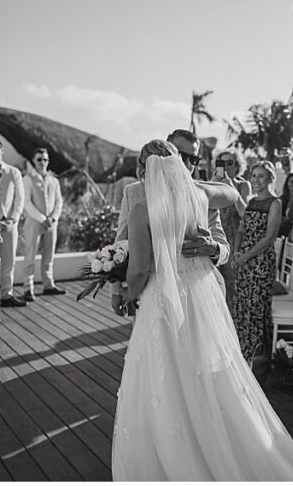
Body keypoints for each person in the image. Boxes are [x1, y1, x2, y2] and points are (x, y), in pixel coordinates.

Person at [111, 140, 293, 481]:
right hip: (199, 297)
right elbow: (228, 194)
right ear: (177, 165)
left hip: (162, 301)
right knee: (206, 373)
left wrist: (125, 292)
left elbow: (139, 272)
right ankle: (217, 443)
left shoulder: (144, 208)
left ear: (145, 167)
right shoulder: (198, 197)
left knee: (166, 374)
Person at [110, 129, 229, 315]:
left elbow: (224, 248)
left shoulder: (203, 194)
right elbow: (121, 242)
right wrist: (116, 291)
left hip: (198, 296)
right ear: (170, 152)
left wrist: (214, 248)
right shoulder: (134, 193)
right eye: (183, 156)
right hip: (149, 296)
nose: (188, 164)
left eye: (194, 159)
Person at [231, 163, 282, 361]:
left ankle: (258, 354)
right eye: (254, 176)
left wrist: (244, 256)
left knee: (256, 305)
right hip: (243, 259)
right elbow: (241, 230)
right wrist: (236, 251)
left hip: (260, 262)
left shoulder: (274, 203)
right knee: (242, 303)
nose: (256, 180)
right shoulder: (251, 202)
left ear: (270, 178)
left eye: (261, 176)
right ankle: (241, 348)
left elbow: (269, 238)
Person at [21, 148, 65, 299]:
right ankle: (28, 288)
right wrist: (42, 219)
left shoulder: (54, 181)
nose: (42, 162)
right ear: (34, 160)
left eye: (45, 159)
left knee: (49, 256)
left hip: (51, 223)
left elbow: (59, 201)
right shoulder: (27, 179)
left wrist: (53, 218)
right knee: (30, 256)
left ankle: (48, 285)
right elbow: (26, 202)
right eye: (39, 159)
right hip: (33, 222)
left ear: (48, 161)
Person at [213, 149, 251, 316]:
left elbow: (245, 213)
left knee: (232, 285)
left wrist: (230, 186)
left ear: (237, 166)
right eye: (223, 163)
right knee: (214, 285)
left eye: (230, 163)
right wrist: (212, 185)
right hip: (216, 239)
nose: (226, 166)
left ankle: (233, 327)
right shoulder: (213, 184)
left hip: (235, 240)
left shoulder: (243, 185)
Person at [0, 141, 27, 307]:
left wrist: (14, 219)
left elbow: (20, 197)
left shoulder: (13, 171)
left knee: (9, 261)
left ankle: (7, 295)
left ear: (1, 150)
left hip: (10, 223)